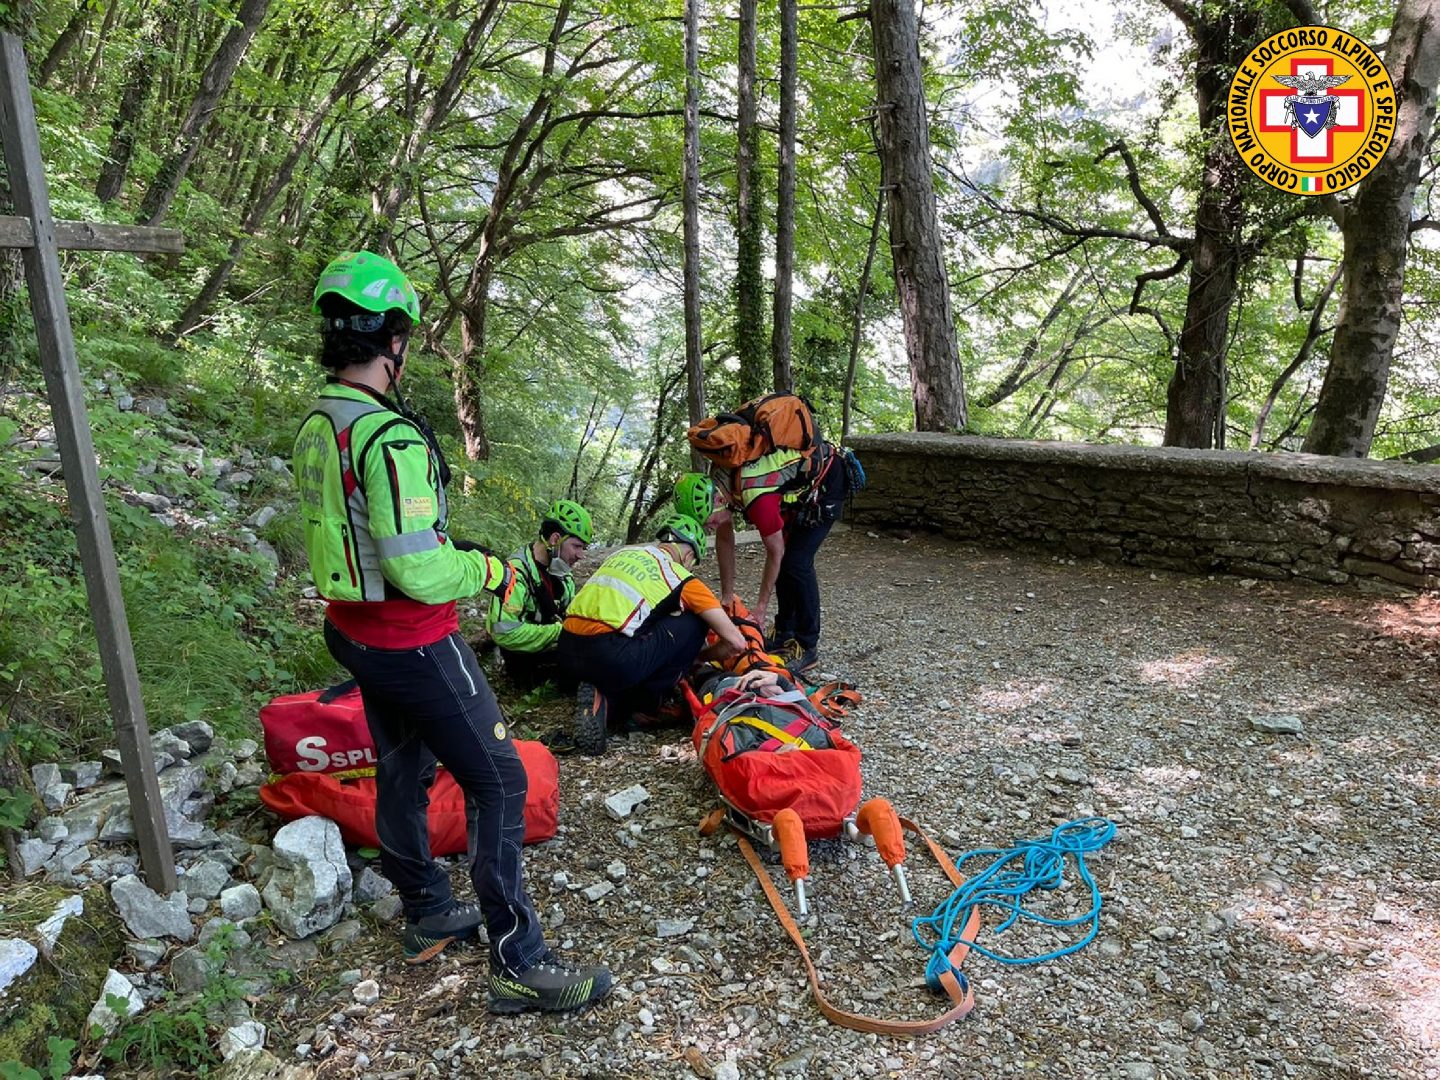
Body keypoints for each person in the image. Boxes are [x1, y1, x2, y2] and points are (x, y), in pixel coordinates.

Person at [293, 251, 610, 1013]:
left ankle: (427, 905)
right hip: (413, 639)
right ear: (393, 340)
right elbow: (421, 572)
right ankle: (517, 962)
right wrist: (491, 573)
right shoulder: (389, 439)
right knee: (500, 780)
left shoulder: (320, 420)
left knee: (404, 763)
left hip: (355, 635)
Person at [557, 514, 746, 754]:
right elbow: (735, 641)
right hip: (609, 656)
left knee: (642, 625)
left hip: (566, 652)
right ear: (688, 556)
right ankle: (646, 706)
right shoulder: (680, 575)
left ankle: (605, 698)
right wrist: (698, 658)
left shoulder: (621, 555)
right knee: (695, 622)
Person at [713, 440, 848, 675]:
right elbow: (724, 538)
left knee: (796, 562)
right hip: (799, 489)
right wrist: (727, 597)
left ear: (718, 501)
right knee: (787, 559)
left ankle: (806, 645)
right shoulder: (718, 477)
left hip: (827, 483)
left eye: (711, 521)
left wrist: (760, 609)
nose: (712, 525)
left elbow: (775, 551)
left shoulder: (755, 495)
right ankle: (785, 631)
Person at [485, 499, 592, 690]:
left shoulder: (562, 574)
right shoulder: (515, 573)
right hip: (523, 659)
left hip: (549, 645)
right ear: (555, 539)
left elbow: (569, 611)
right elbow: (504, 632)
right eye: (577, 546)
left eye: (584, 548)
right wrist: (560, 631)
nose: (581, 555)